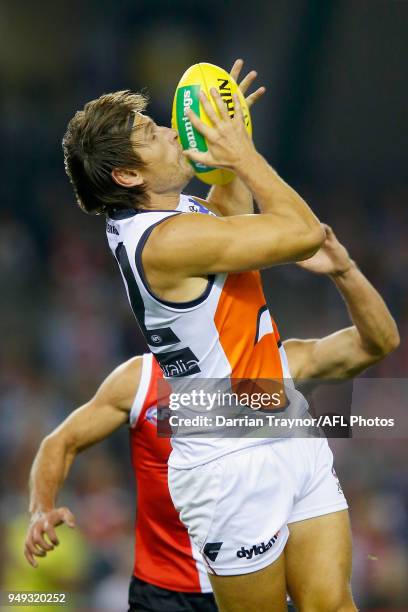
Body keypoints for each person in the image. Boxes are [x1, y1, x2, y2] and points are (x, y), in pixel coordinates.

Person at [61, 57, 398, 611]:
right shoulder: (167, 243)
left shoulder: (170, 216)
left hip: (281, 422)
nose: (172, 130)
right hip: (227, 460)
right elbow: (303, 233)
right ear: (128, 176)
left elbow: (228, 212)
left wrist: (225, 162)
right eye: (152, 133)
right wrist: (243, 152)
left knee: (332, 606)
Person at [25, 225, 399, 612]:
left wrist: (345, 271)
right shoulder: (138, 381)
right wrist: (41, 507)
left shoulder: (279, 365)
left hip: (264, 580)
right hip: (170, 594)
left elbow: (377, 342)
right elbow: (60, 442)